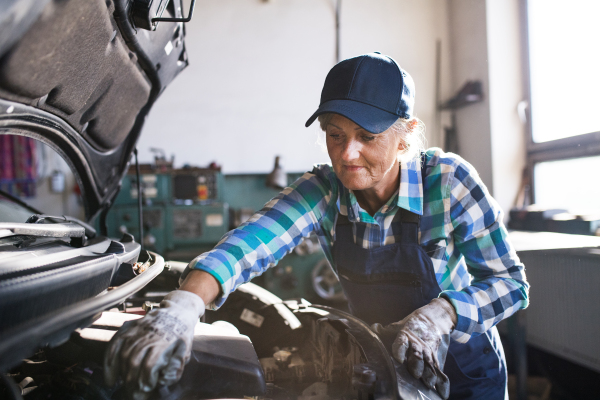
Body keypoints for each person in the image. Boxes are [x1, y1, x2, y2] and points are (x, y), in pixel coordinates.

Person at [105, 52, 529, 400]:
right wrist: (181, 310)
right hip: (382, 363)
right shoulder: (324, 191)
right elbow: (246, 246)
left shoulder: (449, 182)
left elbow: (511, 283)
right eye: (335, 134)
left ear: (405, 137)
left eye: (367, 136)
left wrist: (440, 315)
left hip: (468, 370)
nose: (347, 154)